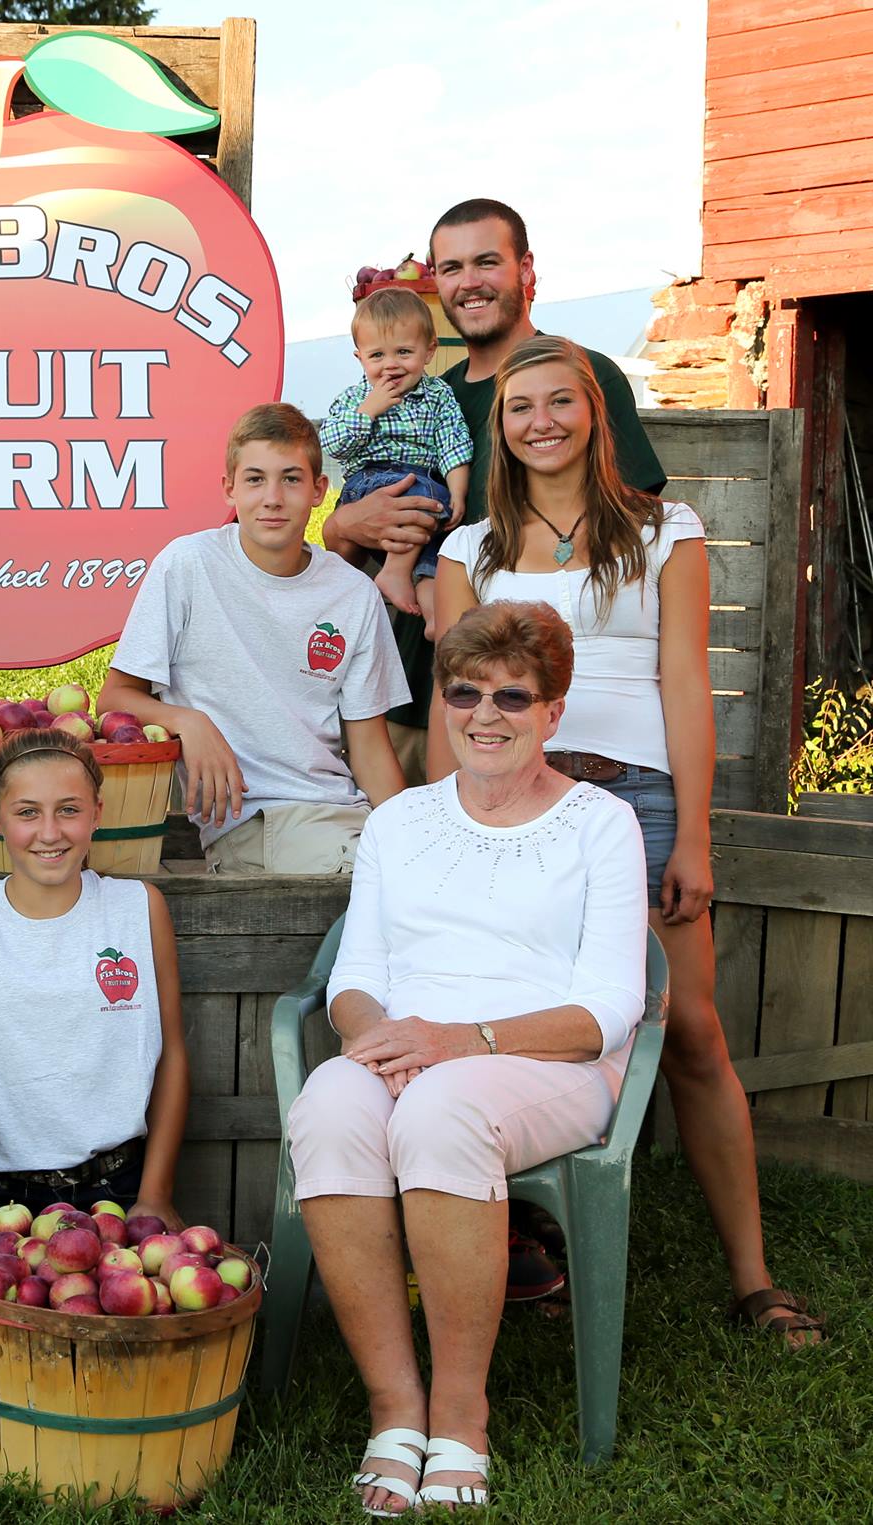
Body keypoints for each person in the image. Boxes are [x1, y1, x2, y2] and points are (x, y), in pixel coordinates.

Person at [432, 335, 825, 1346]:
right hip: (513, 803)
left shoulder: (663, 529)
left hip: (638, 800)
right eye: (519, 408)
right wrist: (451, 840)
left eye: (558, 402)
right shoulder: (466, 550)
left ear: (593, 414)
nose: (540, 422)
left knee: (687, 1029)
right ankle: (521, 1240)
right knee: (511, 1005)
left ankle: (751, 1276)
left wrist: (690, 831)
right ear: (499, 428)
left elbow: (684, 683)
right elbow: (457, 712)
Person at [287, 600, 648, 1516]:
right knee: (330, 1104)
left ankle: (460, 1412)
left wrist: (456, 1044)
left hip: (547, 1064)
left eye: (512, 696)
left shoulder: (600, 824)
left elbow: (607, 1009)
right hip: (411, 1058)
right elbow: (356, 978)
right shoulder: (401, 822)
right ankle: (393, 1406)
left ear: (553, 713)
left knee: (444, 1112)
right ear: (443, 702)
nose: (485, 714)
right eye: (464, 692)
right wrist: (381, 1043)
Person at [321, 198, 666, 786]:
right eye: (451, 268)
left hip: (526, 707)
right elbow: (340, 531)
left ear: (526, 271)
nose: (468, 283)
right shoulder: (429, 396)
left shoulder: (580, 378)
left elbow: (625, 535)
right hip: (408, 691)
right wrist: (345, 526)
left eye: (487, 263)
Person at [0, 727, 189, 1382]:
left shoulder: (137, 908)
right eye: (27, 812)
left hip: (114, 1190)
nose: (49, 830)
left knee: (121, 1367)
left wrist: (156, 1191)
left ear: (97, 812)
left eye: (68, 808)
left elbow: (171, 1050)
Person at [98, 402, 408, 873]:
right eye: (255, 479)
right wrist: (190, 721)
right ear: (230, 488)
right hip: (256, 821)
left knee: (426, 881)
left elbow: (368, 747)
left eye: (291, 478)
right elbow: (114, 698)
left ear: (319, 489)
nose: (272, 498)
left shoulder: (353, 593)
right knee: (379, 887)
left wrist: (413, 839)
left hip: (343, 815)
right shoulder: (189, 565)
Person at [319, 286, 473, 637]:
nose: (390, 365)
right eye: (377, 356)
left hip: (425, 481)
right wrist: (368, 411)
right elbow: (333, 444)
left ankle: (434, 618)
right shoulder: (355, 398)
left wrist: (458, 492)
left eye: (404, 352)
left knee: (438, 546)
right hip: (369, 482)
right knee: (420, 495)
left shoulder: (438, 396)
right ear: (360, 358)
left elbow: (453, 441)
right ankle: (393, 572)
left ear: (429, 351)